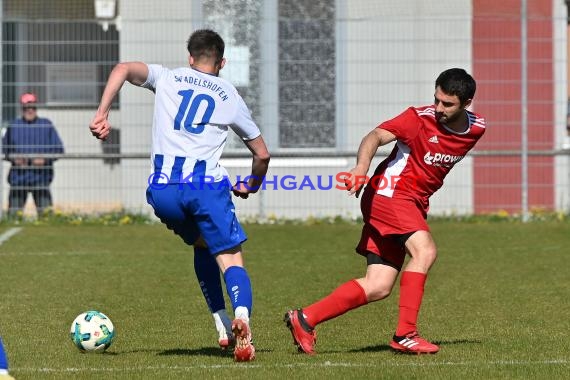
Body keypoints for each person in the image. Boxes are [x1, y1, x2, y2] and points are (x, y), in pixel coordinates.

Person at [89, 29, 270, 362]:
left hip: (163, 192)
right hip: (205, 189)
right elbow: (262, 155)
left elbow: (123, 68)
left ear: (190, 57)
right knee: (230, 257)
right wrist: (252, 184)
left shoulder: (168, 77)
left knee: (201, 244)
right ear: (222, 62)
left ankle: (221, 323)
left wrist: (103, 112)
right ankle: (241, 316)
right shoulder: (229, 94)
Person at [284, 68, 485, 355]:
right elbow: (374, 136)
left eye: (447, 104)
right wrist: (360, 169)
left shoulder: (477, 128)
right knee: (424, 252)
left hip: (411, 202)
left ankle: (305, 319)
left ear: (467, 103)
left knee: (378, 285)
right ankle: (406, 334)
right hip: (390, 196)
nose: (438, 108)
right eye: (437, 99)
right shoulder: (418, 119)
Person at [2, 93, 64, 218]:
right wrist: (15, 158)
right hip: (19, 178)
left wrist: (45, 159)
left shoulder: (46, 125)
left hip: (41, 177)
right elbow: (4, 149)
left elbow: (58, 149)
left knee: (47, 217)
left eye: (32, 107)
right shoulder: (14, 125)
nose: (29, 110)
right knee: (13, 217)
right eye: (26, 107)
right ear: (22, 108)